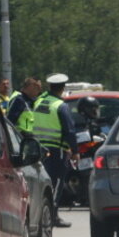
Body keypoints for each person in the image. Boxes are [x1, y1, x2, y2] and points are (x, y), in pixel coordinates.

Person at [32, 73, 78, 228]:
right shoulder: (60, 106)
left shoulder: (39, 102)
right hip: (56, 151)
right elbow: (69, 131)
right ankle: (53, 216)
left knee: (40, 183)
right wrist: (75, 151)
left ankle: (40, 215)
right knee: (56, 183)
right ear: (63, 88)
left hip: (38, 150)